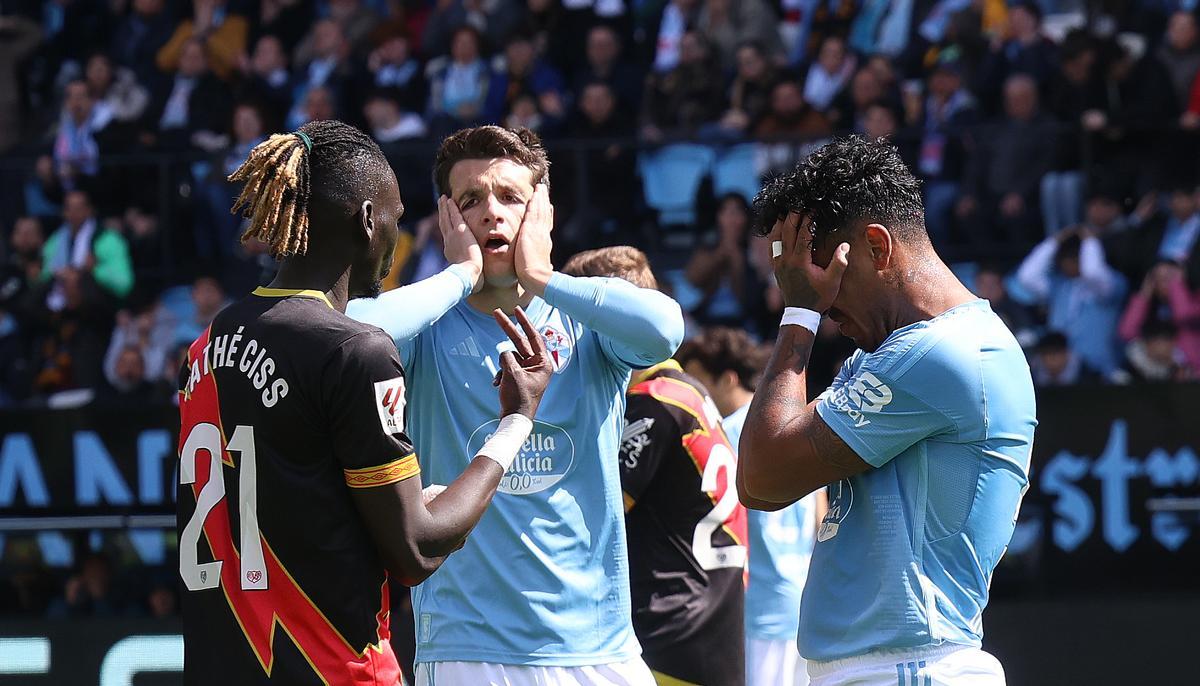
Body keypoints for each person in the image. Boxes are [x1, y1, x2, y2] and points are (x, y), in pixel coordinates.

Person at [177, 119, 554, 685]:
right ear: (366, 220)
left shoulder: (206, 344)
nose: (395, 241)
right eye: (396, 220)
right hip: (332, 668)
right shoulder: (354, 349)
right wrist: (516, 421)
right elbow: (416, 551)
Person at [348, 125, 684, 685]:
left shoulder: (586, 321)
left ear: (542, 213)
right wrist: (458, 276)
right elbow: (350, 333)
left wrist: (544, 277)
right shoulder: (427, 329)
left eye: (511, 197)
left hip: (599, 649)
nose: (491, 214)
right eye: (471, 201)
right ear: (448, 219)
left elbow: (665, 329)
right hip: (468, 649)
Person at [737, 137, 1037, 685]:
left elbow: (762, 478)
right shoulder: (902, 353)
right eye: (811, 291)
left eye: (827, 281)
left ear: (877, 247)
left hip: (905, 667)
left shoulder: (945, 354)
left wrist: (798, 315)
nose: (826, 307)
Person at [562, 247, 747, 686]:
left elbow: (591, 516)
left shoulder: (649, 405)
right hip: (712, 627)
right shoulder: (687, 392)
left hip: (666, 632)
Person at [676, 326, 823, 686]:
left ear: (727, 379)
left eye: (699, 384)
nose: (695, 396)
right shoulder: (794, 423)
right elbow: (821, 515)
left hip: (757, 608)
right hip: (807, 603)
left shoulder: (722, 435)